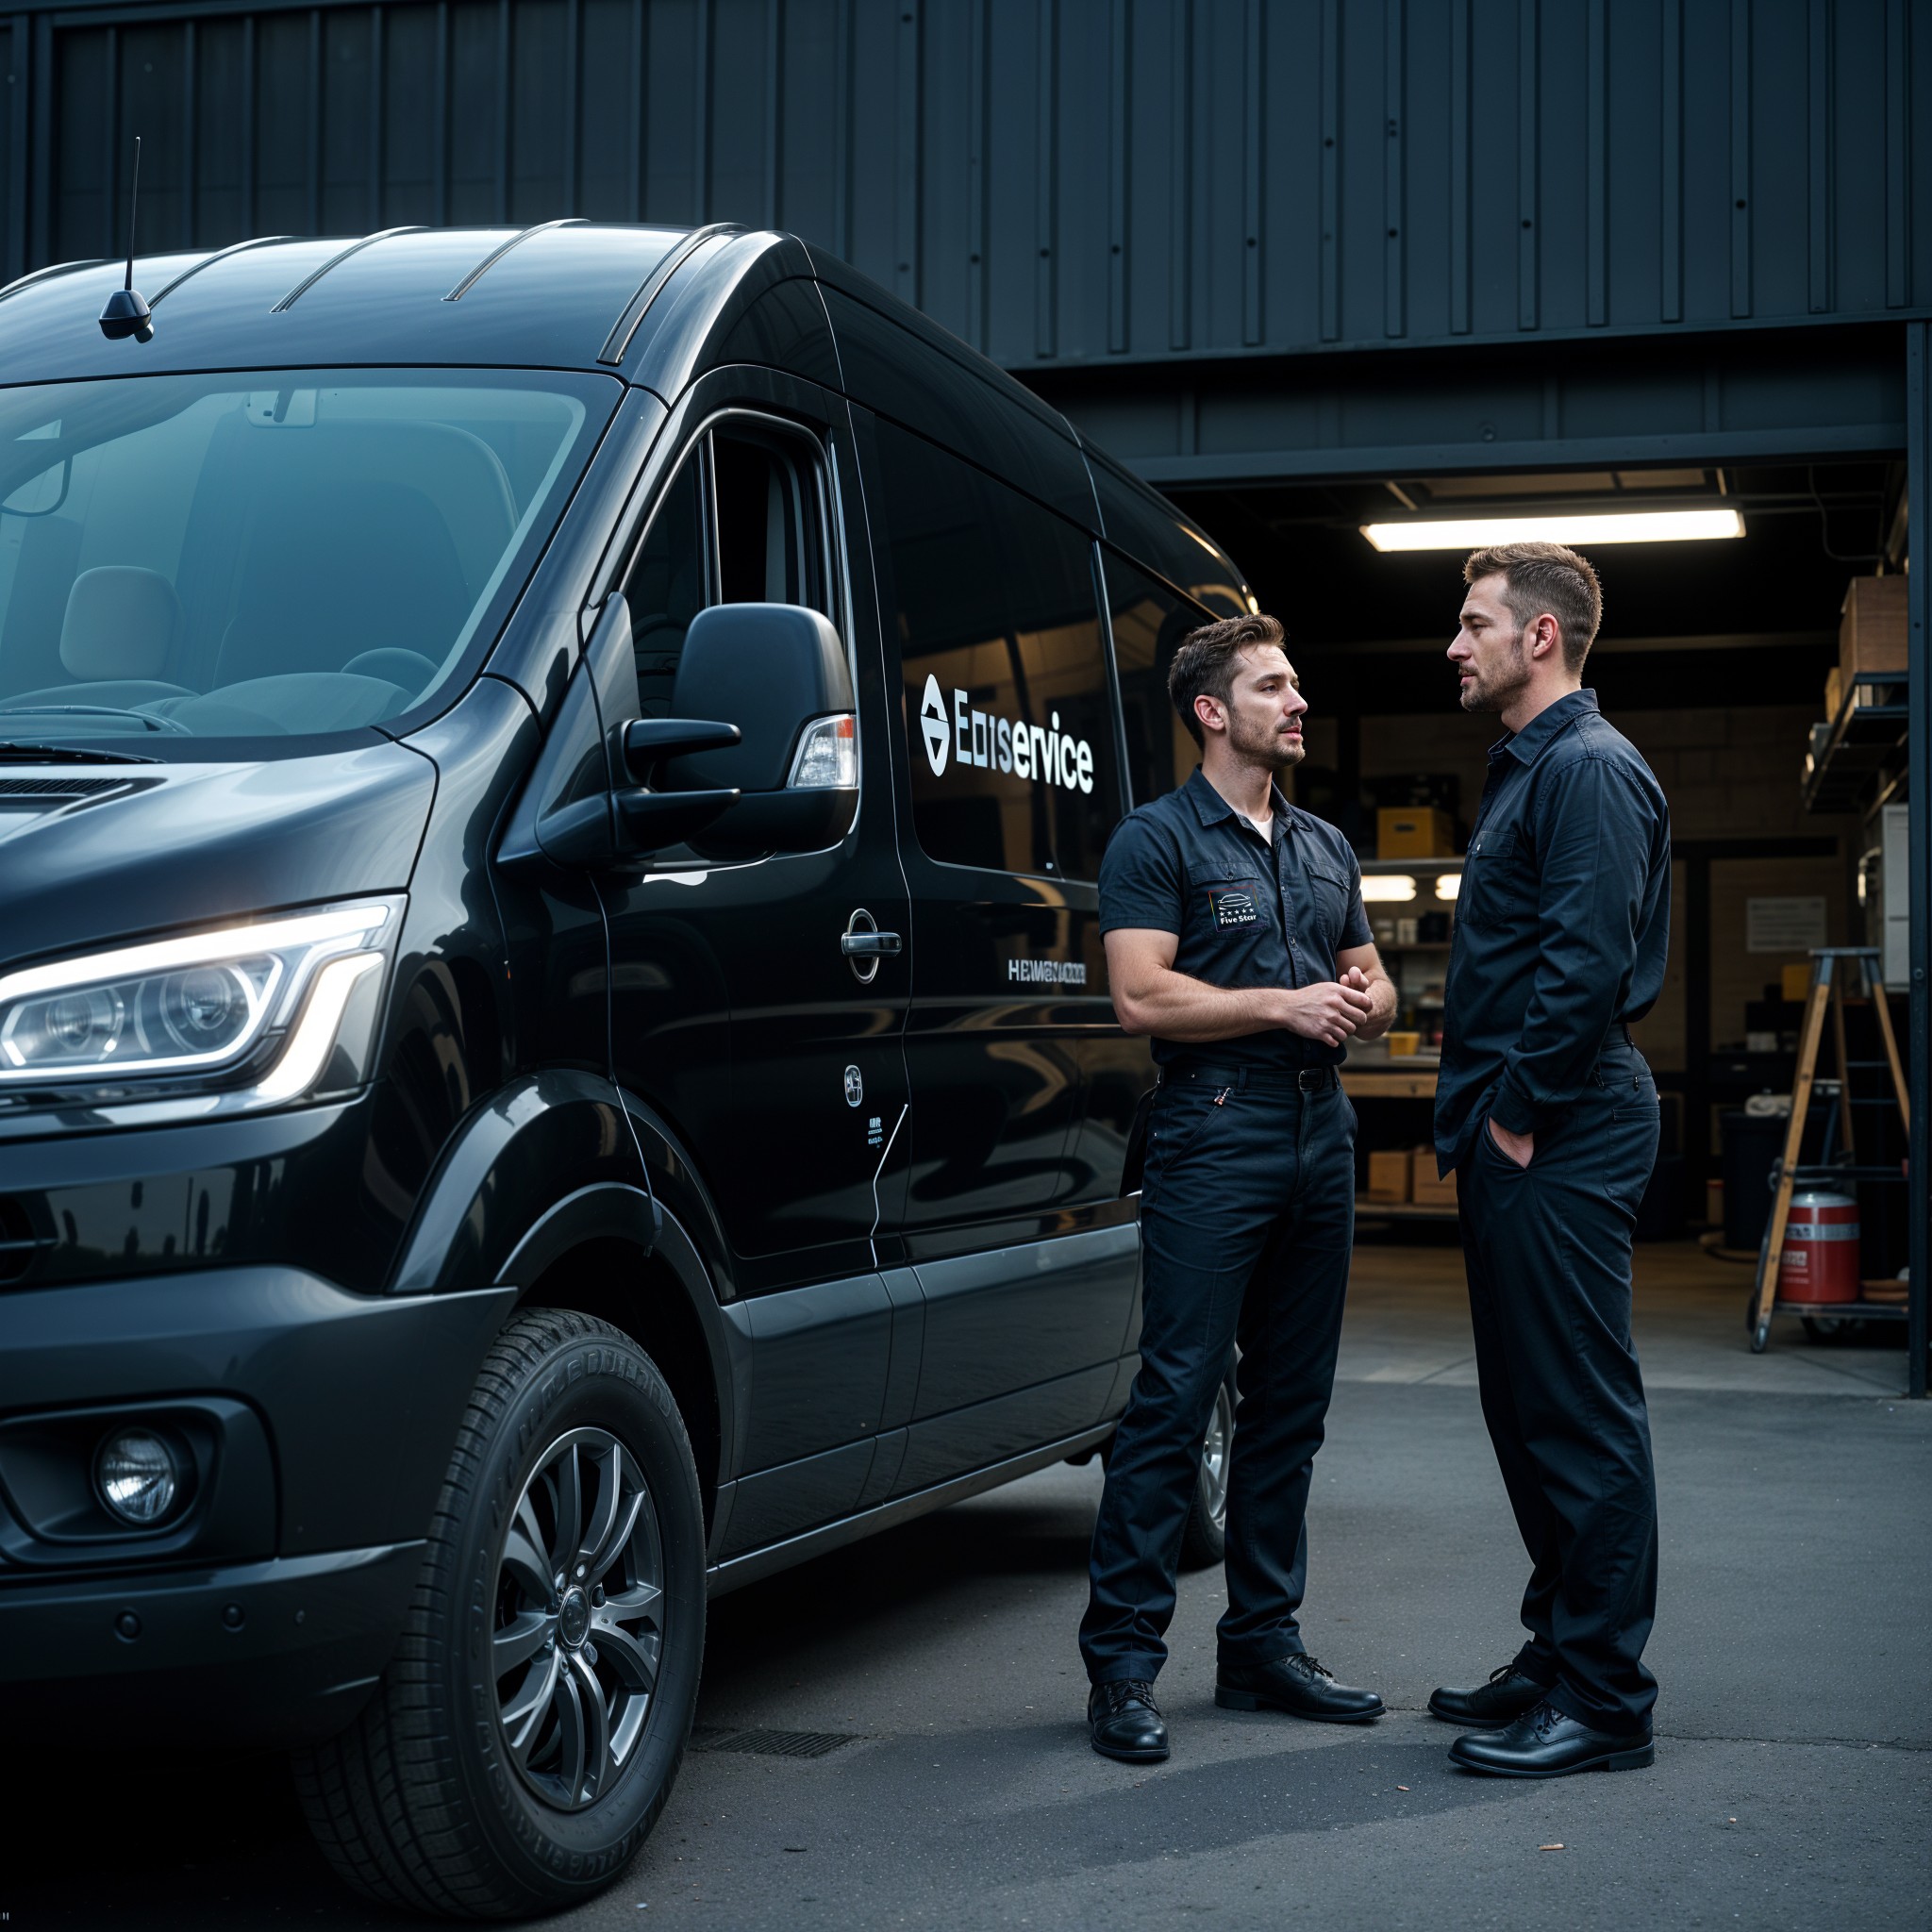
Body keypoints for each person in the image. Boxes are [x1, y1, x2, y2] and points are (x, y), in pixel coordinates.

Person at [1082, 611, 1395, 1764]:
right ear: (1212, 711)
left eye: (1295, 680)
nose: (1296, 700)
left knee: (1291, 1407)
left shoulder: (1321, 845)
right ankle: (1121, 1664)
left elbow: (1375, 983)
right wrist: (1280, 1003)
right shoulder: (1155, 841)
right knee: (1173, 1399)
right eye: (1273, 684)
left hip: (1322, 1132)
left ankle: (1261, 1644)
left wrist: (1361, 1001)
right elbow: (1140, 996)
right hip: (1214, 1134)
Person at [1430, 541, 1670, 1778]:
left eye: (1474, 623)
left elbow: (1582, 963)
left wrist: (1518, 1113)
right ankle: (1557, 1652)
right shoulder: (1530, 768)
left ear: (1541, 639)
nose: (1454, 644)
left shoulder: (1588, 769)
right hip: (1522, 1126)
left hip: (1563, 1124)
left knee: (1578, 1413)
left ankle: (1606, 1701)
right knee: (1524, 1413)